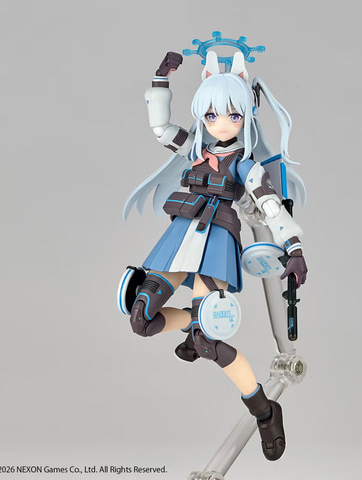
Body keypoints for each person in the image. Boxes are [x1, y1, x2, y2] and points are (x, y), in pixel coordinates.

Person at [122, 50, 307, 461]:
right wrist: (160, 82)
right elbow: (161, 129)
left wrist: (293, 247)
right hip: (178, 240)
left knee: (209, 342)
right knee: (141, 318)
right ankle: (192, 323)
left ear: (246, 115)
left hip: (216, 244)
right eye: (211, 115)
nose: (221, 124)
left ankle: (264, 411)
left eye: (232, 115)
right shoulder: (194, 150)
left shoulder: (245, 166)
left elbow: (271, 206)